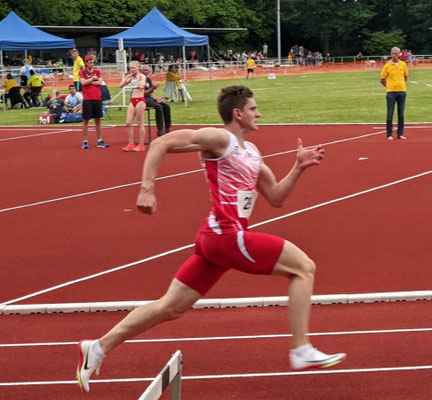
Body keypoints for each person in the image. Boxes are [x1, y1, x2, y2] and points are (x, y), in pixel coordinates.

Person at [76, 85, 346, 392]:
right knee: (303, 267)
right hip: (226, 236)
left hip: (213, 239)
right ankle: (300, 349)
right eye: (254, 109)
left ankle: (96, 348)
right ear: (238, 113)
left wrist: (298, 167)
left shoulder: (253, 153)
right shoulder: (222, 140)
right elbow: (162, 143)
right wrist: (146, 188)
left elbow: (276, 197)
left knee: (171, 307)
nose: (259, 114)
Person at [80, 55, 109, 149]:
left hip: (97, 98)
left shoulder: (98, 71)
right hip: (87, 99)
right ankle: (84, 141)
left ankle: (100, 140)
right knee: (86, 120)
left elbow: (100, 82)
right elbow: (83, 83)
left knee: (98, 120)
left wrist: (88, 82)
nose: (92, 64)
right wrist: (92, 79)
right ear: (86, 63)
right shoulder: (82, 72)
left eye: (92, 62)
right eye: (90, 62)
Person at [380, 47, 408, 140]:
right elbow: (382, 80)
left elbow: (405, 77)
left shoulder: (403, 64)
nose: (394, 55)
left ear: (399, 54)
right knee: (390, 114)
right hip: (391, 93)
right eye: (392, 53)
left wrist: (401, 85)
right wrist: (389, 86)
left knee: (401, 114)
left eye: (396, 53)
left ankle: (400, 133)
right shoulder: (387, 66)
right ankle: (389, 134)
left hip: (401, 92)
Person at [120, 61, 147, 152]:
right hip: (133, 100)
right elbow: (121, 86)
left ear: (138, 68)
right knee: (128, 122)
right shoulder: (131, 77)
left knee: (140, 123)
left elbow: (142, 86)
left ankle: (141, 144)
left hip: (140, 100)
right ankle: (131, 143)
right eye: (131, 68)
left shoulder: (142, 76)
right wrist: (127, 78)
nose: (132, 70)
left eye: (134, 68)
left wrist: (138, 79)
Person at [142, 64, 172, 136]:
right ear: (141, 71)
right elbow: (141, 94)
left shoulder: (148, 79)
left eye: (147, 70)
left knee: (166, 106)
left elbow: (151, 94)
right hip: (142, 100)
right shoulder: (140, 79)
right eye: (144, 70)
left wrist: (157, 99)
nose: (146, 71)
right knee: (158, 107)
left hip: (149, 98)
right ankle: (160, 129)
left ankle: (167, 128)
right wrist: (152, 88)